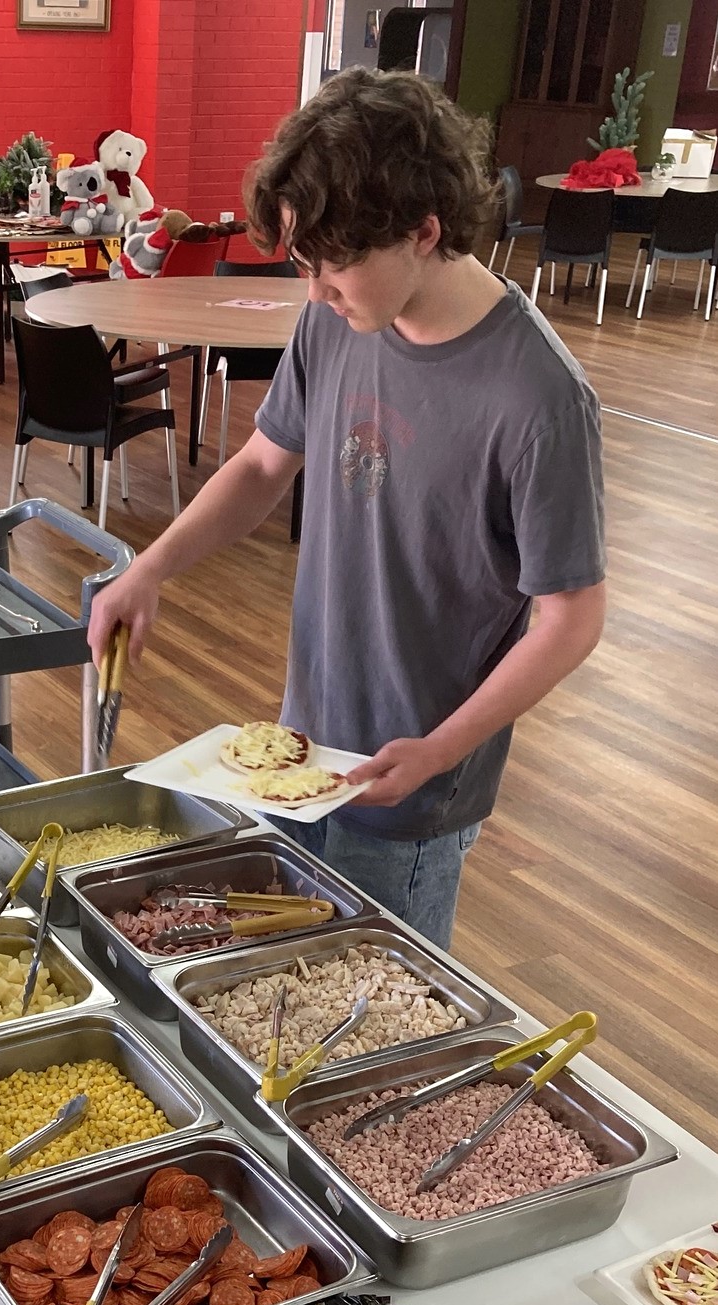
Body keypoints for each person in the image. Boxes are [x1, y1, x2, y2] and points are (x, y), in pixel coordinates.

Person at [87, 68, 606, 949]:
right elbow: (260, 464)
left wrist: (439, 750)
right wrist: (148, 568)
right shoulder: (336, 320)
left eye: (335, 265)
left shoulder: (539, 397)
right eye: (303, 261)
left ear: (424, 231)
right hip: (304, 744)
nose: (315, 289)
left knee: (367, 1017)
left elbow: (571, 619)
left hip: (415, 788)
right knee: (279, 978)